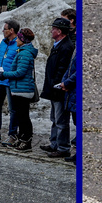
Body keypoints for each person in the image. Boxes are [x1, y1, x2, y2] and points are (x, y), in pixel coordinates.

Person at [0, 25, 38, 151]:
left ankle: (27, 140)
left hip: (23, 89)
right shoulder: (22, 51)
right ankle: (22, 138)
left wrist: (4, 74)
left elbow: (20, 72)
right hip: (19, 88)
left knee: (24, 117)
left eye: (18, 38)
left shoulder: (25, 53)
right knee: (21, 116)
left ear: (23, 40)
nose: (16, 40)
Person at [42, 17, 74, 157]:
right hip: (53, 87)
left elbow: (62, 69)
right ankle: (54, 143)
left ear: (60, 31)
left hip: (59, 88)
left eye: (53, 28)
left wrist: (57, 84)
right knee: (54, 119)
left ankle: (63, 147)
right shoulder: (58, 45)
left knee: (61, 120)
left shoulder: (66, 47)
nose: (51, 31)